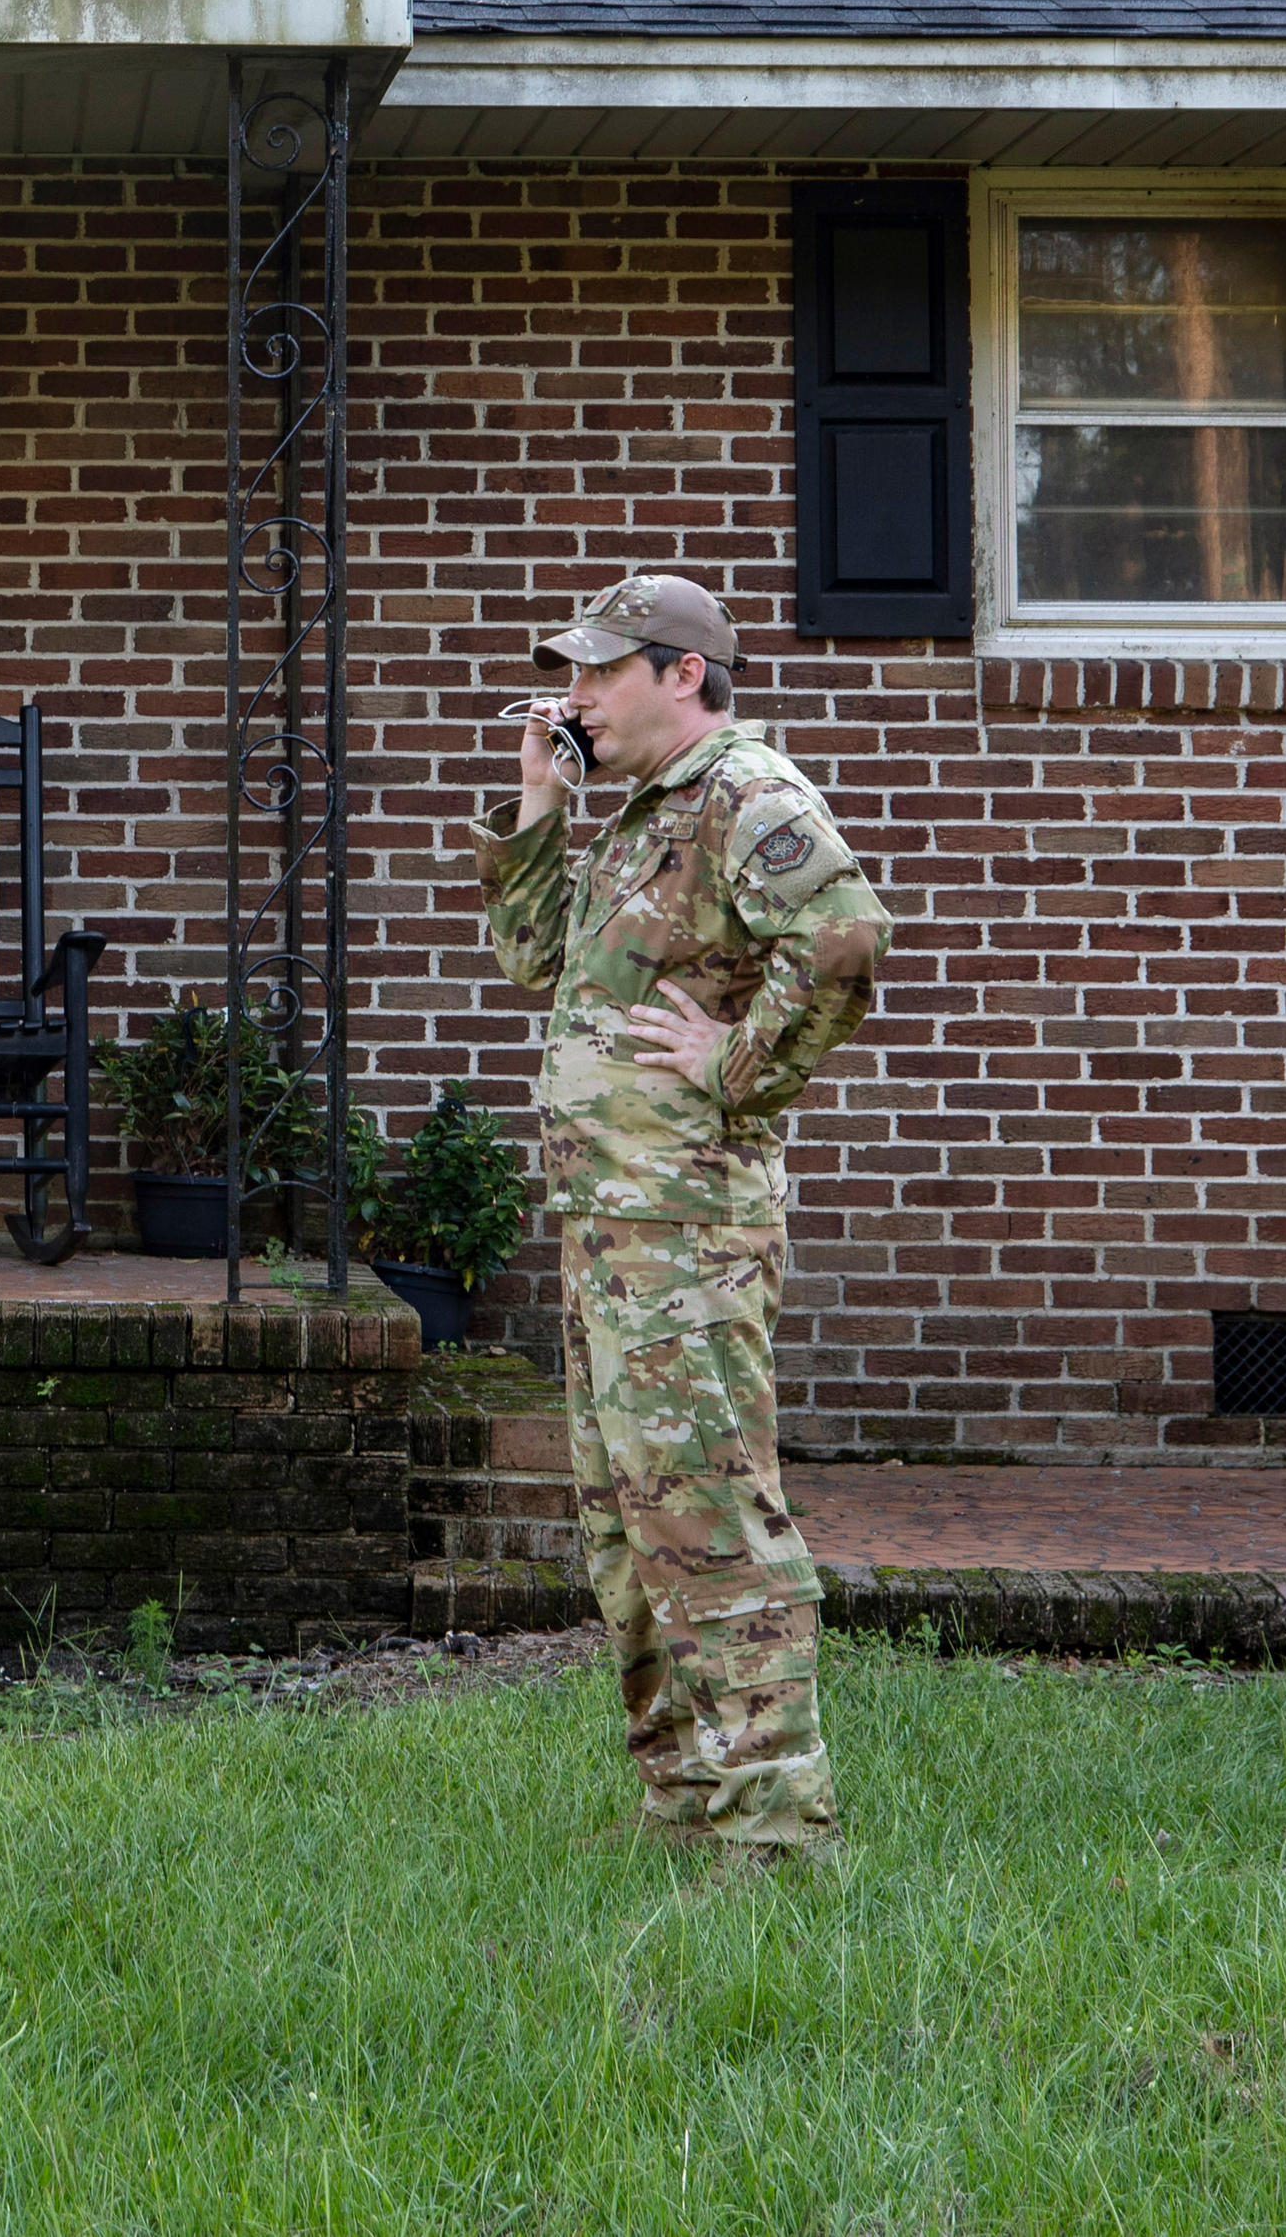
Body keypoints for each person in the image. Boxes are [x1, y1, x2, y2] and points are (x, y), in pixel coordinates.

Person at [482, 571, 892, 1876]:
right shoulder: (643, 810)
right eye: (574, 669)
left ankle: (777, 1840)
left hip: (685, 1230)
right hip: (607, 1223)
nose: (578, 689)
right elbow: (533, 963)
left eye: (603, 669)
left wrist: (734, 1064)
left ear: (684, 674)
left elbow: (844, 934)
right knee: (626, 1528)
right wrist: (545, 804)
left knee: (709, 1520)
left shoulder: (742, 793)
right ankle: (690, 1807)